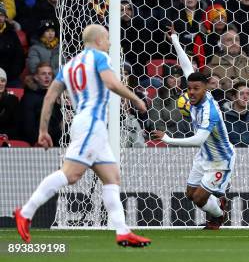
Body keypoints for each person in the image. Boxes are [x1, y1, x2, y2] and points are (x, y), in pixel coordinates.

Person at [14, 25, 151, 247]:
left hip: (86, 124)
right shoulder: (100, 56)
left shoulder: (69, 65)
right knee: (71, 174)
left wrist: (42, 130)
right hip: (92, 124)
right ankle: (25, 212)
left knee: (112, 177)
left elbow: (50, 97)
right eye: (107, 39)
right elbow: (111, 83)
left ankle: (122, 231)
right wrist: (135, 98)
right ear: (99, 40)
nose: (109, 44)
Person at [152, 70, 233, 229]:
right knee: (190, 194)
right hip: (204, 155)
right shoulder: (201, 96)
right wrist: (175, 43)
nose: (191, 92)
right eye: (189, 88)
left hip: (220, 160)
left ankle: (219, 215)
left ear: (205, 89)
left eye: (196, 89)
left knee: (198, 198)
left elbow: (198, 140)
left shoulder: (210, 112)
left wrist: (168, 139)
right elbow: (187, 66)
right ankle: (217, 203)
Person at [0, 66, 19, 137]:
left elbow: (16, 127)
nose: (0, 83)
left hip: (7, 138)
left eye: (3, 80)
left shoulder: (13, 100)